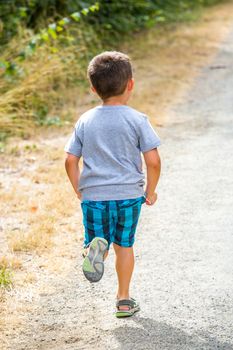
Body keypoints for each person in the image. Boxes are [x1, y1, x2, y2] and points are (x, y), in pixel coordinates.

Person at [64, 51, 161, 318]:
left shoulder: (86, 120)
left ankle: (94, 248)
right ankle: (124, 300)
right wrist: (149, 191)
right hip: (129, 195)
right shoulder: (137, 119)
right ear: (131, 84)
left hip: (95, 195)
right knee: (125, 245)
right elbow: (152, 161)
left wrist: (79, 190)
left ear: (93, 88)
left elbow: (71, 160)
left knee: (100, 241)